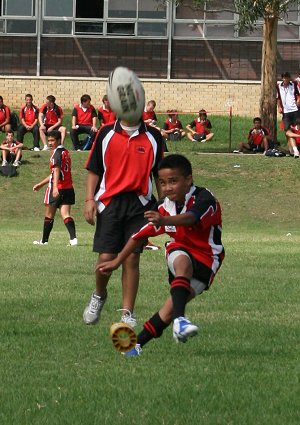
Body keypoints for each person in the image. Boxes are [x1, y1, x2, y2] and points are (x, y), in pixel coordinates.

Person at [99, 154, 225, 356]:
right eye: (163, 183)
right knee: (180, 256)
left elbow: (191, 218)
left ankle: (135, 346)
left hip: (208, 260)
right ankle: (181, 321)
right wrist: (117, 261)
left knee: (168, 311)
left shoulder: (204, 198)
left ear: (189, 179)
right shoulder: (163, 206)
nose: (167, 188)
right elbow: (138, 236)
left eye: (173, 181)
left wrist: (165, 220)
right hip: (181, 252)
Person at [83, 75, 164, 328]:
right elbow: (95, 169)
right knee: (106, 256)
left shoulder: (154, 137)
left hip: (140, 206)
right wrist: (89, 199)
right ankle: (99, 295)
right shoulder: (105, 134)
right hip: (110, 203)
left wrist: (165, 206)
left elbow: (160, 176)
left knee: (131, 259)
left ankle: (127, 313)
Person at [32, 130, 77, 246]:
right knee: (65, 214)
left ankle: (44, 241)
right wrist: (41, 184)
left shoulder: (56, 153)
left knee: (49, 215)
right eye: (49, 141)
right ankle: (73, 239)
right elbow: (56, 172)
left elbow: (56, 170)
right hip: (68, 188)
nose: (50, 143)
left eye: (52, 140)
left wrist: (55, 187)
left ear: (58, 140)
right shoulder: (66, 152)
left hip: (57, 187)